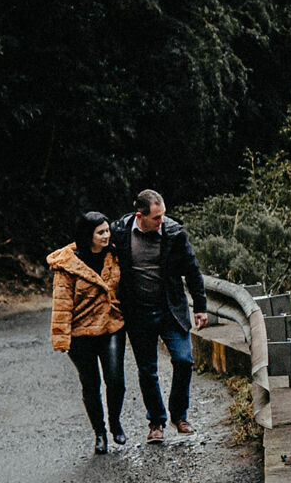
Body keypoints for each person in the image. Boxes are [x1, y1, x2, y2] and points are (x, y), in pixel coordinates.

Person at [111, 189, 208, 443]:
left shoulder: (174, 233)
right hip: (139, 312)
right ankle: (156, 422)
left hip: (171, 309)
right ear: (139, 216)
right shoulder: (120, 233)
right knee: (147, 371)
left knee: (184, 360)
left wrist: (200, 306)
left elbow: (193, 269)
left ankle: (179, 416)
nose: (162, 221)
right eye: (156, 218)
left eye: (163, 215)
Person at [48, 211, 128, 453]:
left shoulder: (115, 254)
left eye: (107, 231)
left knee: (115, 379)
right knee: (90, 384)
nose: (106, 236)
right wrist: (61, 338)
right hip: (80, 332)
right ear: (88, 235)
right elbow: (61, 303)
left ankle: (115, 422)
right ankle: (100, 433)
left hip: (111, 325)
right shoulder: (68, 264)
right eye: (100, 232)